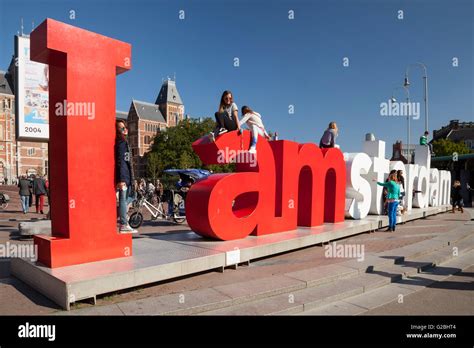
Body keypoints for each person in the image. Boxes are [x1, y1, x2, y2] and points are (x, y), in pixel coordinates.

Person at [115, 120, 137, 233]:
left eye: (124, 127)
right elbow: (121, 161)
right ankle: (123, 224)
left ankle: (121, 215)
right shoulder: (121, 143)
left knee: (133, 195)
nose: (124, 130)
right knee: (123, 200)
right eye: (121, 128)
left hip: (128, 176)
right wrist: (121, 179)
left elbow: (127, 161)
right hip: (124, 176)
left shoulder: (125, 142)